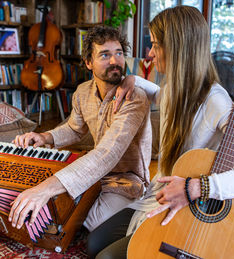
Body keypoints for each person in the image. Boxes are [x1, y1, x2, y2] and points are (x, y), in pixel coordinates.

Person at [87, 6, 234, 259]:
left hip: (191, 201)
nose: (150, 53)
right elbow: (159, 94)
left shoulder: (217, 102)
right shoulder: (174, 90)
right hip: (160, 195)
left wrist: (197, 187)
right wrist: (135, 80)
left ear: (178, 49)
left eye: (156, 45)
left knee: (106, 258)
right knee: (93, 243)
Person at [8, 26, 152, 233]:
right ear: (88, 62)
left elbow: (108, 153)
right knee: (52, 203)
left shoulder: (134, 97)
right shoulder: (83, 91)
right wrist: (44, 136)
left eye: (118, 53)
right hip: (94, 175)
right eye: (105, 55)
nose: (114, 61)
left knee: (88, 221)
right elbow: (74, 129)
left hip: (126, 181)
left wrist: (44, 190)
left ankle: (139, 210)